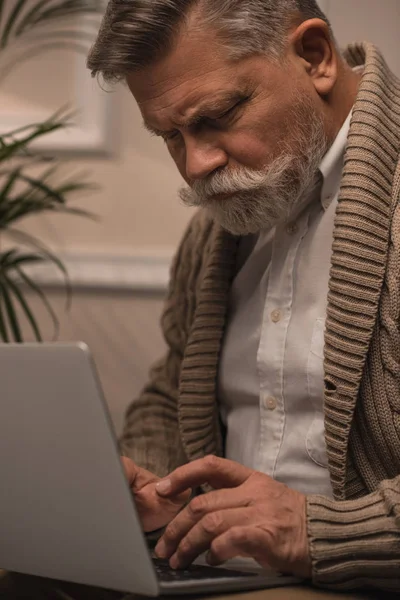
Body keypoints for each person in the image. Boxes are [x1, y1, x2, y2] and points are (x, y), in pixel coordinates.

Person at [87, 0, 400, 592]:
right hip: (216, 578)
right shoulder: (221, 224)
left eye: (217, 116)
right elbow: (174, 387)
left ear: (314, 57)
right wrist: (160, 487)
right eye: (169, 136)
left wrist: (316, 531)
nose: (197, 166)